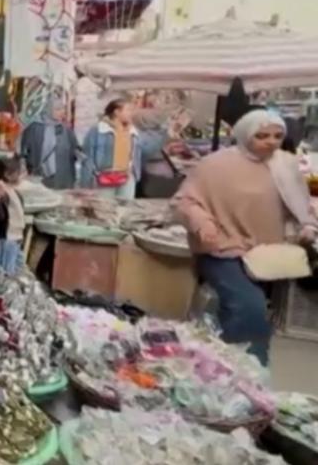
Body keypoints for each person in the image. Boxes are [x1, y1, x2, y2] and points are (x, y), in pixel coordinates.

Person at [172, 110, 318, 366]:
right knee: (248, 306)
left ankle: (220, 362)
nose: (271, 141)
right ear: (243, 133)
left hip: (267, 255)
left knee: (251, 312)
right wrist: (202, 223)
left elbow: (297, 203)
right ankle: (247, 369)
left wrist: (305, 225)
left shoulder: (285, 164)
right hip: (222, 248)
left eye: (277, 135)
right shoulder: (215, 165)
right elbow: (184, 201)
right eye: (262, 135)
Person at [80, 98, 141, 200]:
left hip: (127, 176)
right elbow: (87, 157)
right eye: (128, 110)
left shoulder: (132, 131)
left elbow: (136, 154)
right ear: (117, 112)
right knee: (104, 209)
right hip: (105, 177)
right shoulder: (98, 130)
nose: (131, 113)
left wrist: (135, 174)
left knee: (126, 210)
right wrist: (88, 181)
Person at [19, 98, 77, 190]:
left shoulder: (66, 130)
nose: (62, 112)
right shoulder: (34, 128)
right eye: (57, 109)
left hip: (63, 177)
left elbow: (75, 151)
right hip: (40, 176)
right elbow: (23, 151)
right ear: (48, 110)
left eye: (63, 109)